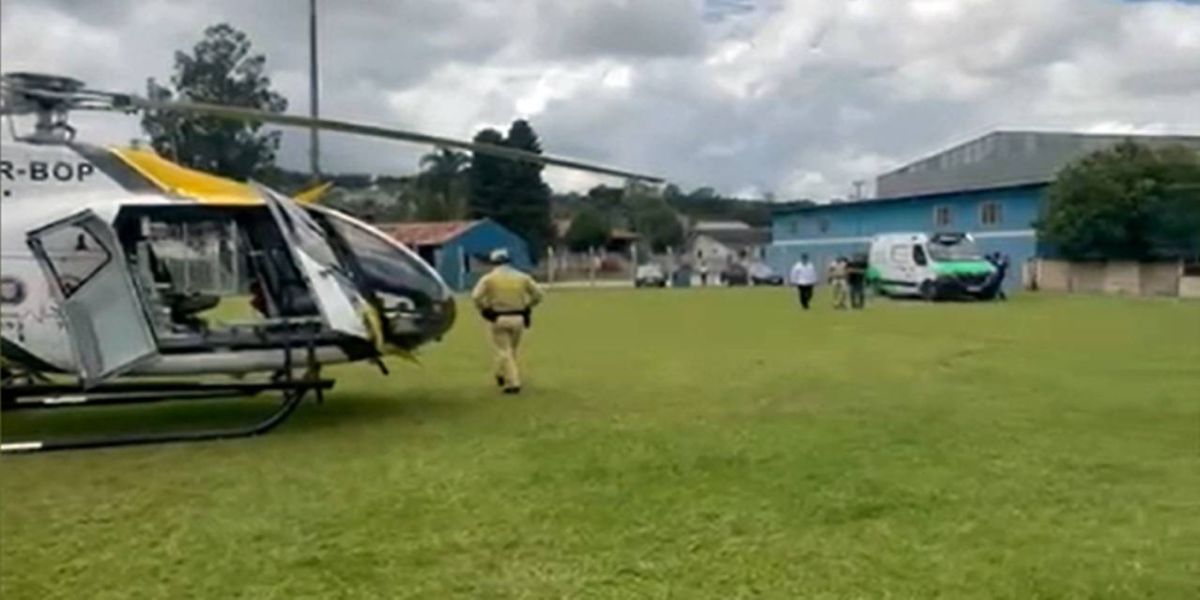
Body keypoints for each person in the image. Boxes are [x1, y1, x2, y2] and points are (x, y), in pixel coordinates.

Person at [470, 248, 544, 394]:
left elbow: (475, 297)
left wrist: (485, 309)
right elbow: (538, 294)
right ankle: (501, 374)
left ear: (493, 262)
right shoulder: (522, 277)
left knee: (504, 350)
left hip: (498, 317)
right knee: (511, 350)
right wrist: (528, 306)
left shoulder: (489, 279)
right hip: (519, 318)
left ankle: (513, 382)